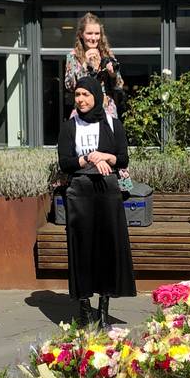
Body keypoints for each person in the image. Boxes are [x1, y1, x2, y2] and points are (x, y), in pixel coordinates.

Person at [57, 76, 135, 326]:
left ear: (96, 96)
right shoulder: (70, 126)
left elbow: (123, 159)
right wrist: (91, 158)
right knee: (82, 248)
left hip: (107, 192)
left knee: (107, 249)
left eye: (85, 95)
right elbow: (65, 162)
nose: (80, 99)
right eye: (77, 95)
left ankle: (103, 311)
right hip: (80, 193)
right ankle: (84, 307)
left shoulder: (113, 123)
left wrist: (105, 156)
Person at [64, 12, 124, 119]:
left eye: (97, 34)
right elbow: (70, 86)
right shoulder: (73, 57)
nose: (93, 38)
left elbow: (119, 85)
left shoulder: (106, 54)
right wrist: (84, 65)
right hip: (83, 108)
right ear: (81, 34)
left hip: (105, 109)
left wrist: (113, 74)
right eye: (89, 33)